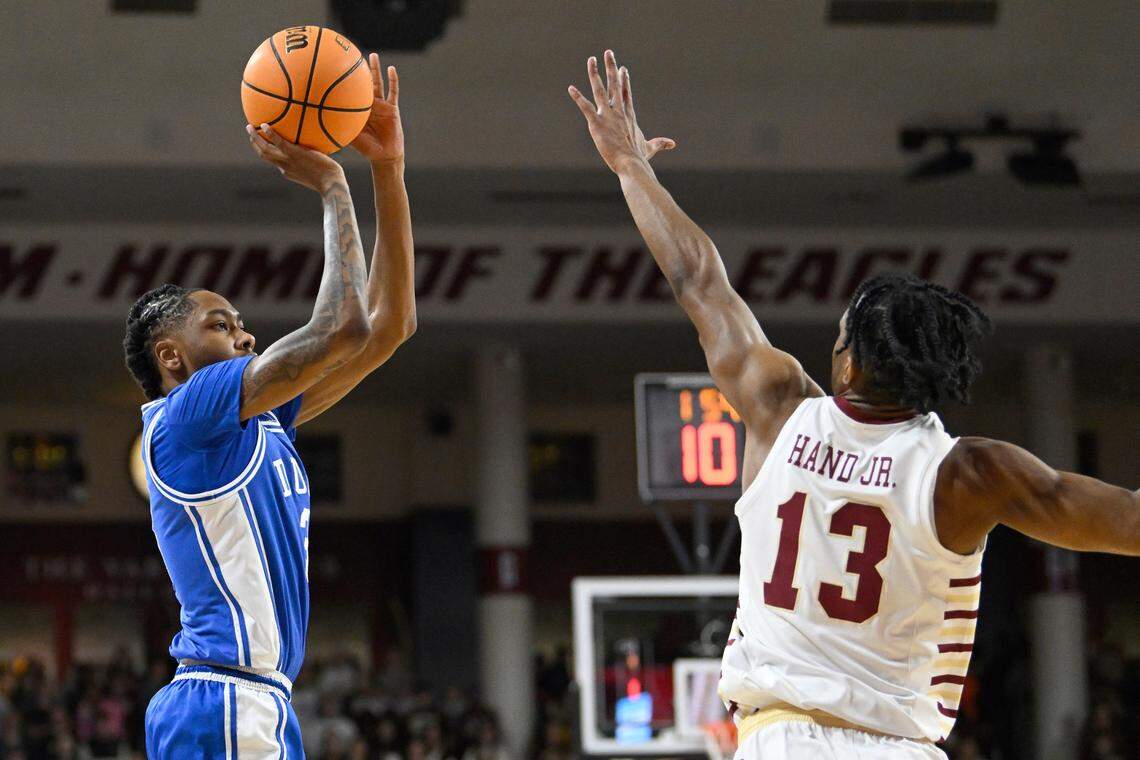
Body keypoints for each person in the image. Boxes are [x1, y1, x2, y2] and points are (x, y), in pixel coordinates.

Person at [568, 49, 1139, 759]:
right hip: (896, 745)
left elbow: (697, 279)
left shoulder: (776, 403)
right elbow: (1127, 521)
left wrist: (633, 168)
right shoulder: (970, 473)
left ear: (850, 359)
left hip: (776, 740)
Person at [125, 54, 415, 758]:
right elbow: (343, 326)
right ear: (172, 357)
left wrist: (388, 169)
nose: (245, 332)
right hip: (223, 699)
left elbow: (389, 327)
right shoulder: (191, 413)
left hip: (255, 702)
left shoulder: (255, 422)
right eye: (221, 325)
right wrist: (333, 186)